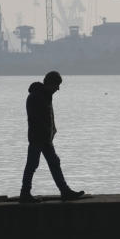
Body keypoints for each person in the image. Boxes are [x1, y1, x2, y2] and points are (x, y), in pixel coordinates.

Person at [20, 71, 85, 202]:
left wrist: (52, 130)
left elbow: (49, 116)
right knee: (32, 164)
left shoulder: (46, 95)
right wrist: (46, 133)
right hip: (38, 138)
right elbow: (36, 119)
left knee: (54, 163)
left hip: (45, 138)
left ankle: (65, 191)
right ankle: (25, 193)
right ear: (50, 83)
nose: (58, 88)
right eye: (56, 85)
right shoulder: (36, 96)